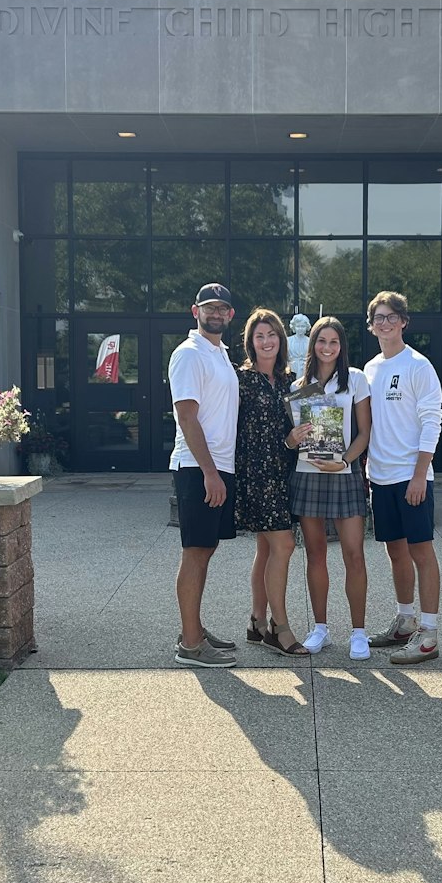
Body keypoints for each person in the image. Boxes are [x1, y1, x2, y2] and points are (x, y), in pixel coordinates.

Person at [363, 290, 442, 664]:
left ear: (403, 322)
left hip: (412, 477)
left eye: (391, 317)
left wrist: (419, 475)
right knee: (394, 550)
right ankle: (405, 621)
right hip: (379, 477)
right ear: (371, 325)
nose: (385, 323)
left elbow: (432, 422)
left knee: (421, 551)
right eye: (378, 318)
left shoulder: (418, 366)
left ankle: (429, 634)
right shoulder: (370, 369)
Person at [287, 316, 373, 659]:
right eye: (321, 341)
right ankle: (320, 628)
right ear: (313, 345)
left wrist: (345, 462)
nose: (327, 347)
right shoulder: (299, 385)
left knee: (354, 552)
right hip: (307, 473)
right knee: (315, 554)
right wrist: (291, 439)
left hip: (344, 472)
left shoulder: (355, 380)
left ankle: (359, 632)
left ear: (342, 346)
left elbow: (365, 432)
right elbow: (294, 438)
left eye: (333, 342)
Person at [168, 283, 241, 668]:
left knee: (205, 550)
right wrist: (210, 473)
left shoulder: (220, 354)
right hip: (198, 467)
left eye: (222, 309)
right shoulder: (189, 354)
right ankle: (191, 646)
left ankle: (192, 627)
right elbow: (187, 416)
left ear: (230, 315)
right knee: (195, 552)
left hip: (218, 467)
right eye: (209, 307)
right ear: (194, 311)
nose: (216, 314)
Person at [235, 308, 311, 657]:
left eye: (272, 335)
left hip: (287, 475)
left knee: (266, 548)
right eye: (259, 336)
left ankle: (255, 621)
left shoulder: (290, 381)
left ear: (281, 340)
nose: (266, 342)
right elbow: (244, 436)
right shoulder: (241, 380)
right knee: (283, 546)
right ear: (251, 342)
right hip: (257, 475)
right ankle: (279, 628)